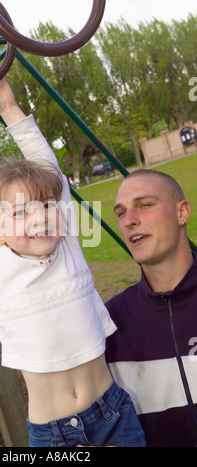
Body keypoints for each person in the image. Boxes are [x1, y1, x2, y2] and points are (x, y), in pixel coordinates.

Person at [0, 69, 146, 447]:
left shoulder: (66, 245)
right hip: (54, 435)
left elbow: (52, 172)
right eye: (20, 212)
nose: (38, 217)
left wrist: (8, 107)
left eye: (45, 206)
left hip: (114, 417)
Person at [105, 169, 197, 447]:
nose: (129, 220)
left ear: (182, 212)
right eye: (121, 213)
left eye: (144, 205)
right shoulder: (109, 324)